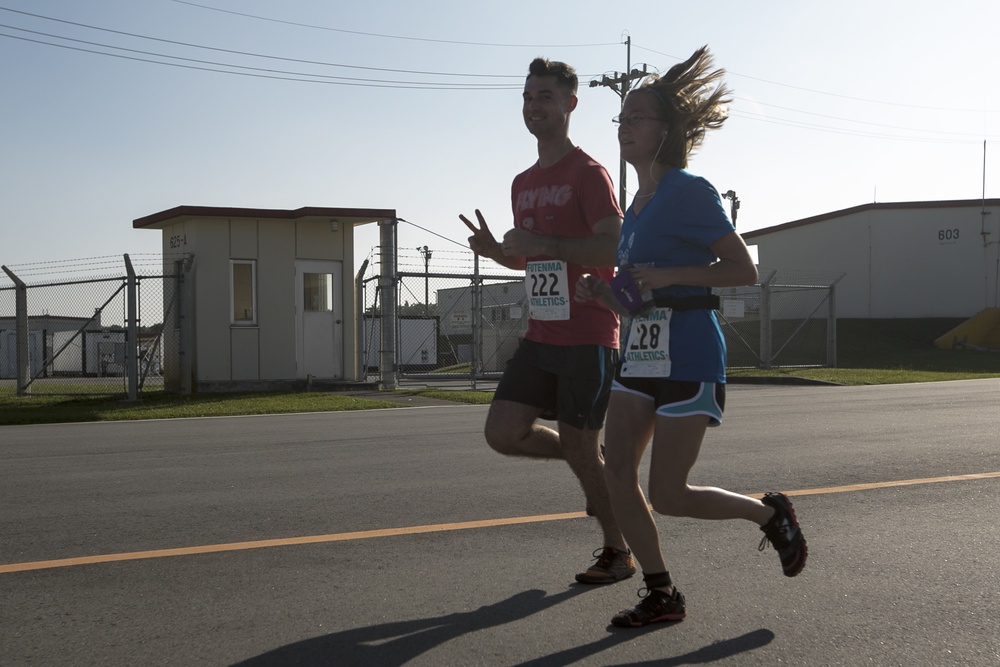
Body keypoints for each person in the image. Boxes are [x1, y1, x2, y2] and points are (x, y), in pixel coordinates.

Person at [574, 45, 808, 627]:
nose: (625, 126)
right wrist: (604, 295)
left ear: (666, 130)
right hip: (640, 355)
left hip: (691, 354)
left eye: (638, 117)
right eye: (621, 118)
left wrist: (672, 273)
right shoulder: (636, 207)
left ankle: (767, 514)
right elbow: (639, 294)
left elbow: (742, 270)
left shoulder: (688, 190)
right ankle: (661, 593)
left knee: (669, 494)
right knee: (615, 471)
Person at [460, 57, 633, 585]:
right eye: (528, 97)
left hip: (588, 335)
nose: (534, 106)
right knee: (503, 433)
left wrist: (544, 244)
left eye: (546, 98)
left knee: (583, 449)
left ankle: (618, 551)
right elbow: (535, 258)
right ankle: (591, 462)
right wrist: (497, 253)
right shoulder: (523, 182)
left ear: (570, 104)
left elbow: (613, 244)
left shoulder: (589, 173)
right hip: (542, 334)